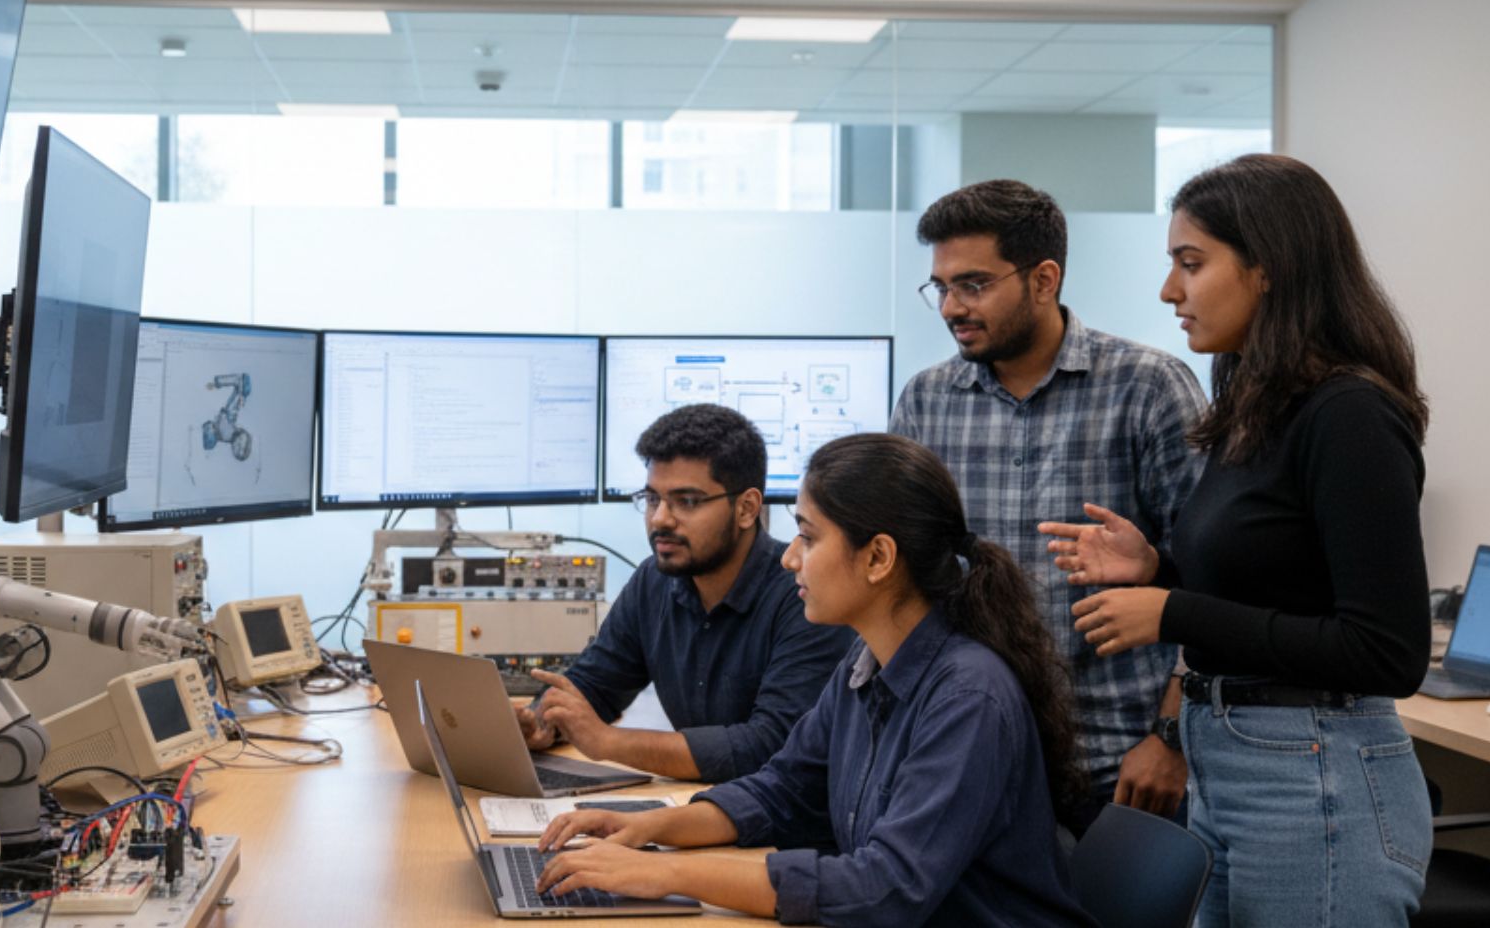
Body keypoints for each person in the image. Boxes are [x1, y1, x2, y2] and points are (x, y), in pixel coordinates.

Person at [1042, 153, 1433, 926]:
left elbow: (1388, 652)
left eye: (1192, 263)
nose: (1169, 291)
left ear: (1269, 269)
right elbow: (1276, 579)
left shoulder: (1349, 415)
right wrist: (1159, 566)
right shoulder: (1252, 399)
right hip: (1232, 764)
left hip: (1315, 776)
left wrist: (1172, 610)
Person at [532, 434, 1095, 928]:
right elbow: (782, 790)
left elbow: (885, 888)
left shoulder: (967, 698)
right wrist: (649, 827)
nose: (789, 559)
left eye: (808, 536)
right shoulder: (866, 663)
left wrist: (665, 871)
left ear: (877, 558)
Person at [889, 179, 1206, 833]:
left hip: (1121, 768)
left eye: (972, 284)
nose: (951, 306)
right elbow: (904, 581)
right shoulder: (926, 402)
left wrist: (1171, 737)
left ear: (1043, 279)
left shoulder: (1147, 388)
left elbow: (1212, 586)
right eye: (941, 287)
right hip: (972, 760)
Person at [517, 404, 851, 781]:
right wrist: (540, 722)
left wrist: (609, 742)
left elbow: (772, 746)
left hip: (777, 825)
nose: (660, 518)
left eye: (687, 501)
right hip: (700, 807)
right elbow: (594, 686)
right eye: (653, 498)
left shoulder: (804, 595)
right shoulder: (654, 582)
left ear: (746, 508)